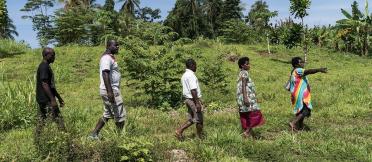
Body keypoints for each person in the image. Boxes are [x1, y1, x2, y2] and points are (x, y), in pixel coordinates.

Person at [89, 40, 126, 139]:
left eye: (118, 45)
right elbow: (105, 73)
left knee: (107, 114)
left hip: (109, 90)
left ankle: (94, 134)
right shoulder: (106, 58)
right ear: (109, 46)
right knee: (119, 115)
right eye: (116, 45)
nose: (118, 47)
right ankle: (120, 139)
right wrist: (110, 92)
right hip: (110, 90)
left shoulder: (109, 57)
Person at [35, 47, 66, 145]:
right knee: (58, 119)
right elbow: (44, 84)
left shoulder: (46, 66)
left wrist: (59, 98)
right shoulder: (44, 66)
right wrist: (53, 100)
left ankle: (37, 140)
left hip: (43, 98)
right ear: (46, 55)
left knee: (42, 119)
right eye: (52, 55)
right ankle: (66, 140)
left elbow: (51, 86)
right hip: (46, 99)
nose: (54, 57)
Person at [288, 57, 327, 131]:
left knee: (300, 111)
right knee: (306, 110)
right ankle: (293, 123)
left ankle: (300, 126)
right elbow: (308, 71)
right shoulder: (298, 70)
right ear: (296, 64)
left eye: (303, 62)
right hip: (300, 94)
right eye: (301, 62)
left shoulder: (293, 71)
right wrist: (319, 70)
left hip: (296, 94)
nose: (303, 63)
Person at [236, 57, 265, 138]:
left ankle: (248, 134)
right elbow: (244, 86)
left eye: (249, 63)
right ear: (242, 65)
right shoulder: (244, 73)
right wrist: (246, 98)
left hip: (241, 98)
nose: (249, 65)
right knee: (255, 114)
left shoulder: (241, 73)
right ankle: (247, 132)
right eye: (247, 64)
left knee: (246, 114)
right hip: (247, 97)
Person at [175, 59, 204, 140]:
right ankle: (200, 138)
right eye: (195, 65)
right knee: (199, 119)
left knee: (192, 119)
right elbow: (193, 90)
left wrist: (199, 99)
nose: (196, 67)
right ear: (192, 66)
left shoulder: (184, 75)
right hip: (192, 100)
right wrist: (197, 103)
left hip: (188, 99)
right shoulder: (190, 75)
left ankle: (179, 131)